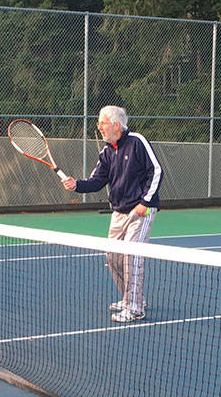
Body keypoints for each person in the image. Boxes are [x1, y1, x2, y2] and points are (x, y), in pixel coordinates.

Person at [62, 105, 164, 322]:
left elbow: (156, 171)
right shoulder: (106, 152)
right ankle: (130, 298)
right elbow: (96, 181)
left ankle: (135, 308)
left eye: (103, 122)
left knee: (132, 256)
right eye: (98, 122)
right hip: (118, 211)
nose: (99, 126)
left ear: (117, 125)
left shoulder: (137, 142)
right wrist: (76, 185)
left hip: (141, 210)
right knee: (113, 256)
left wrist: (145, 202)